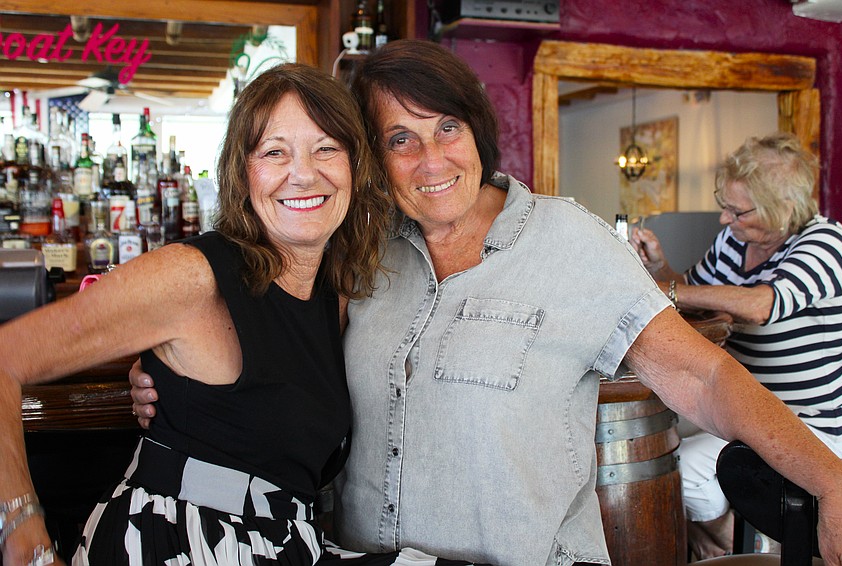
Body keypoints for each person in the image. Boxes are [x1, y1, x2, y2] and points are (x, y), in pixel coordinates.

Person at [131, 41, 842, 566]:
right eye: (400, 139)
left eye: (448, 127)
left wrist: (833, 478)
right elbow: (273, 343)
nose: (432, 159)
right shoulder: (360, 254)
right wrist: (167, 373)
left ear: (478, 129)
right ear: (371, 159)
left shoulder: (569, 240)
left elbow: (706, 377)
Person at [0, 63, 491, 566]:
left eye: (327, 148)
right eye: (275, 152)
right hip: (178, 547)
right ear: (243, 172)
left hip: (285, 546)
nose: (304, 173)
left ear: (355, 167)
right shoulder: (190, 277)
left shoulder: (338, 292)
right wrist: (24, 537)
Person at [630, 131, 842, 558]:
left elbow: (760, 305)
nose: (724, 221)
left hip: (805, 419)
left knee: (680, 467)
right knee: (649, 439)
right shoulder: (737, 240)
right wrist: (662, 269)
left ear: (783, 208)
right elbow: (694, 294)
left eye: (737, 211)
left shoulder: (826, 243)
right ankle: (733, 541)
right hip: (743, 404)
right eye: (724, 207)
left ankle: (736, 548)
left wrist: (665, 289)